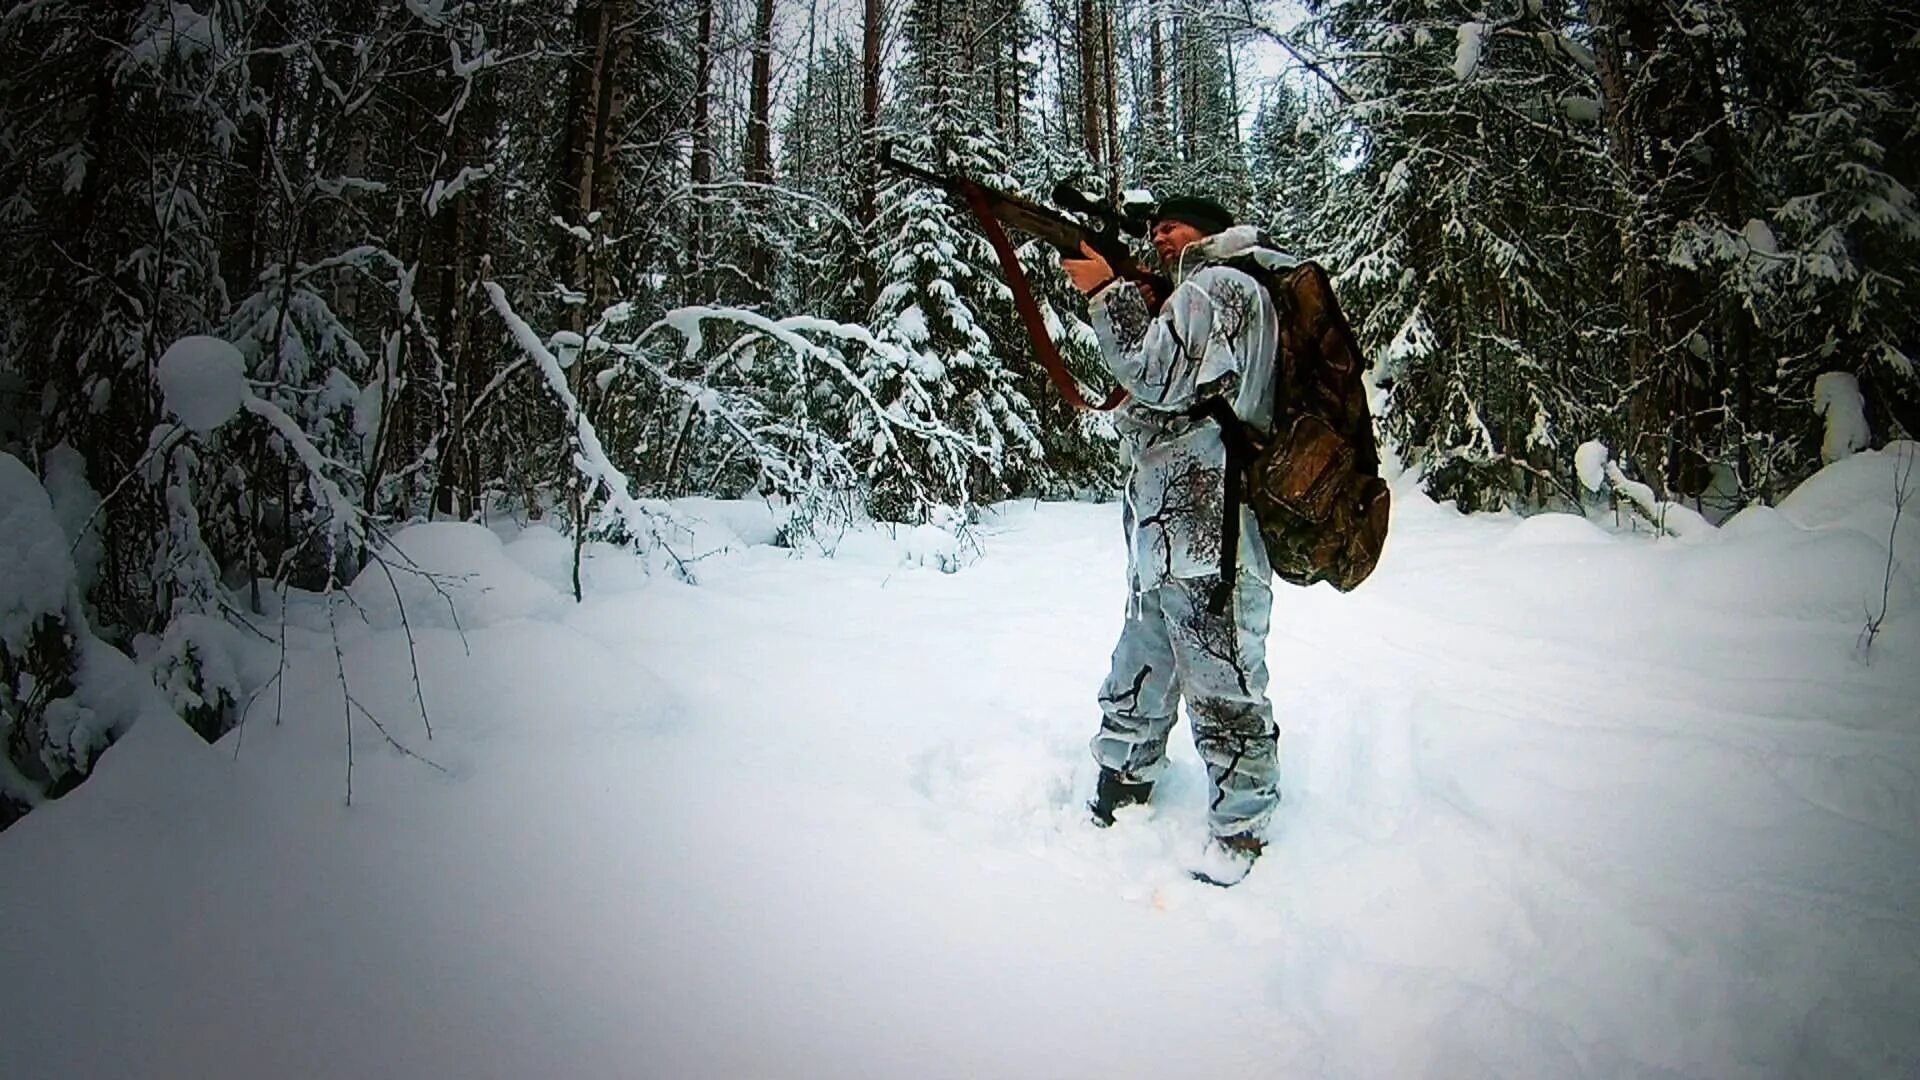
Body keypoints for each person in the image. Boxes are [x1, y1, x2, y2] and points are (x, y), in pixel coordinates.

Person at [1059, 195, 1283, 887]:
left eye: (1173, 228)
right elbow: (1157, 391)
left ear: (1210, 232)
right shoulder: (1189, 294)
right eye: (1154, 231)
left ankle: (1242, 826)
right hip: (1166, 520)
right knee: (1143, 655)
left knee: (1222, 676)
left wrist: (1105, 292)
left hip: (1213, 519)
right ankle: (1124, 776)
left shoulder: (1223, 285)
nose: (1160, 238)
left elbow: (1157, 375)